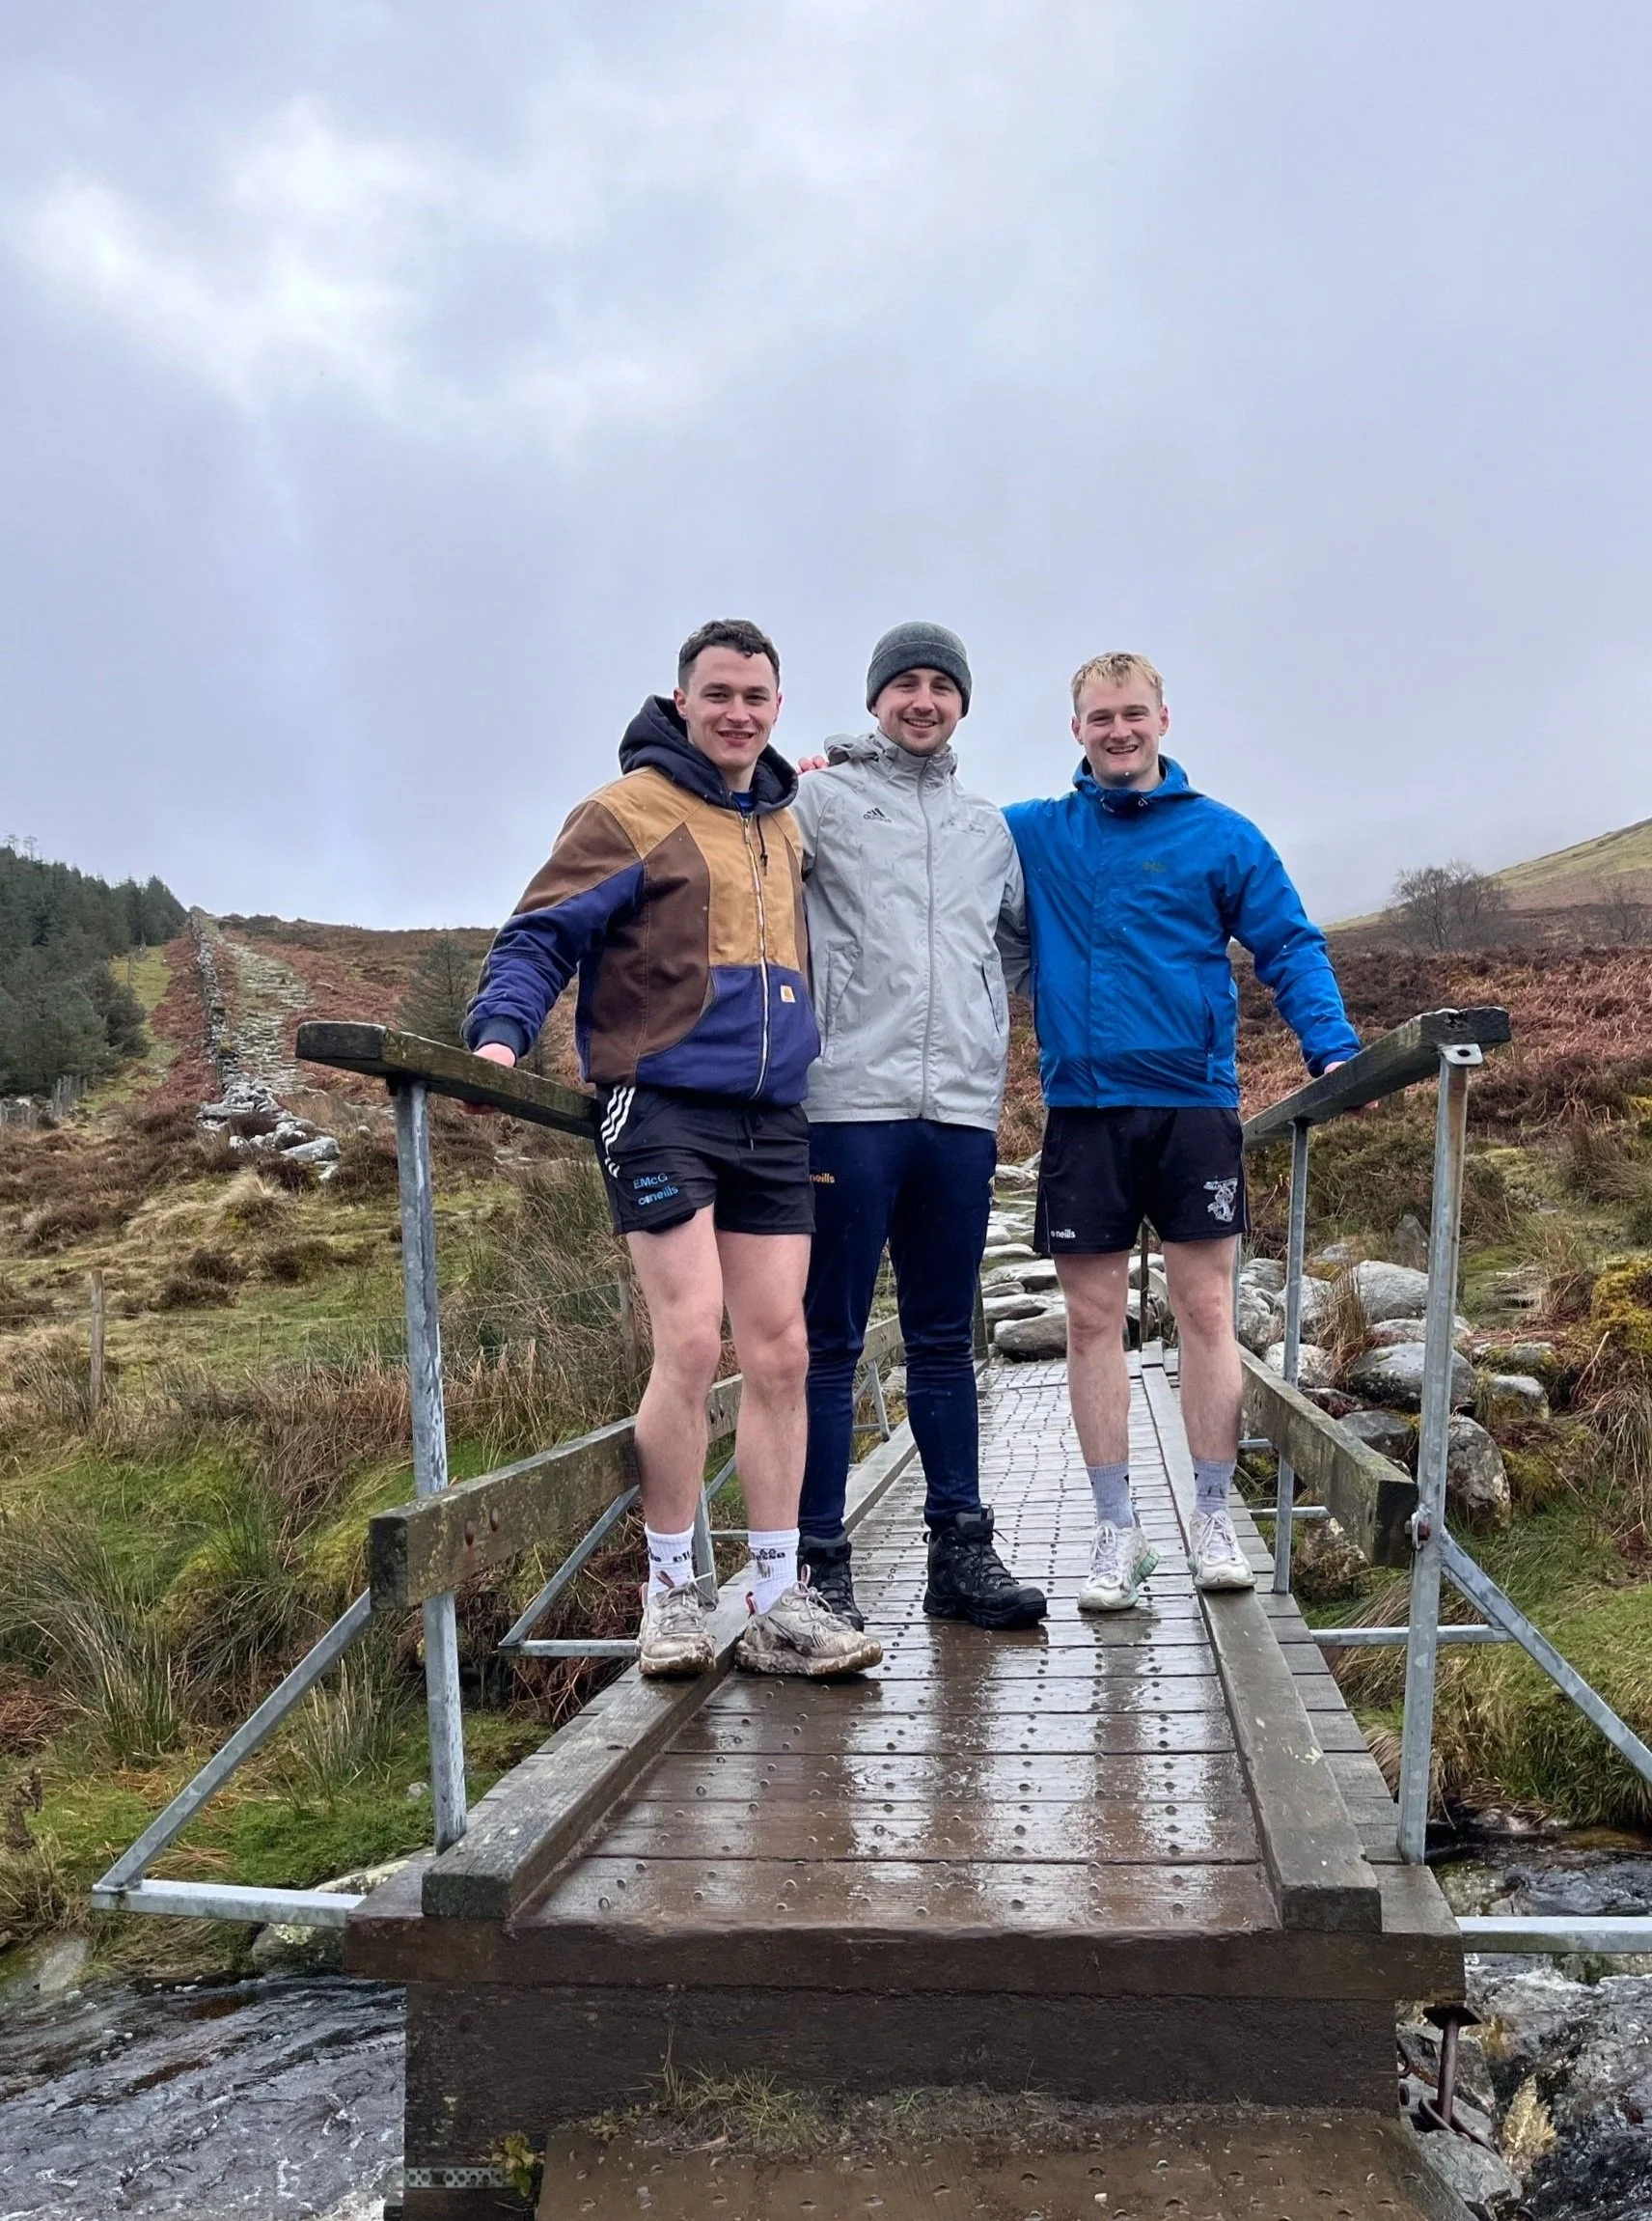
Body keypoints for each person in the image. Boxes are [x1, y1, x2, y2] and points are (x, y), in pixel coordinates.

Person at [462, 619, 881, 1680]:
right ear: (681, 701)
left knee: (780, 1351)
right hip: (658, 1103)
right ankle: (672, 1594)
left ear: (776, 707)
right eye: (718, 694)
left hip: (771, 1117)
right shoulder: (627, 811)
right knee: (693, 1342)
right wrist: (500, 1035)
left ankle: (780, 1597)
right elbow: (540, 932)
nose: (737, 711)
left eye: (756, 695)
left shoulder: (784, 822)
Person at [1005, 652, 1360, 1609]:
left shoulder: (1221, 836)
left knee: (1204, 1314)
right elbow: (931, 843)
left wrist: (1329, 1045)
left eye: (1132, 714)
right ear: (1073, 728)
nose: (1117, 730)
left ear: (1163, 719)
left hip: (1194, 1103)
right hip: (1084, 1111)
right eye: (1098, 717)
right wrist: (834, 777)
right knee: (1089, 1323)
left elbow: (1285, 941)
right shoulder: (1033, 833)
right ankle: (1114, 1534)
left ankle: (1210, 1516)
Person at [789, 623, 1046, 1631]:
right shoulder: (817, 799)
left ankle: (958, 1554)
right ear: (874, 699)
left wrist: (989, 1024)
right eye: (905, 684)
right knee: (828, 1342)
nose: (922, 699)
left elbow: (1018, 950)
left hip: (957, 1113)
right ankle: (818, 1562)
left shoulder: (990, 830)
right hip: (846, 1100)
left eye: (941, 685)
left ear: (962, 704)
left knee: (946, 1337)